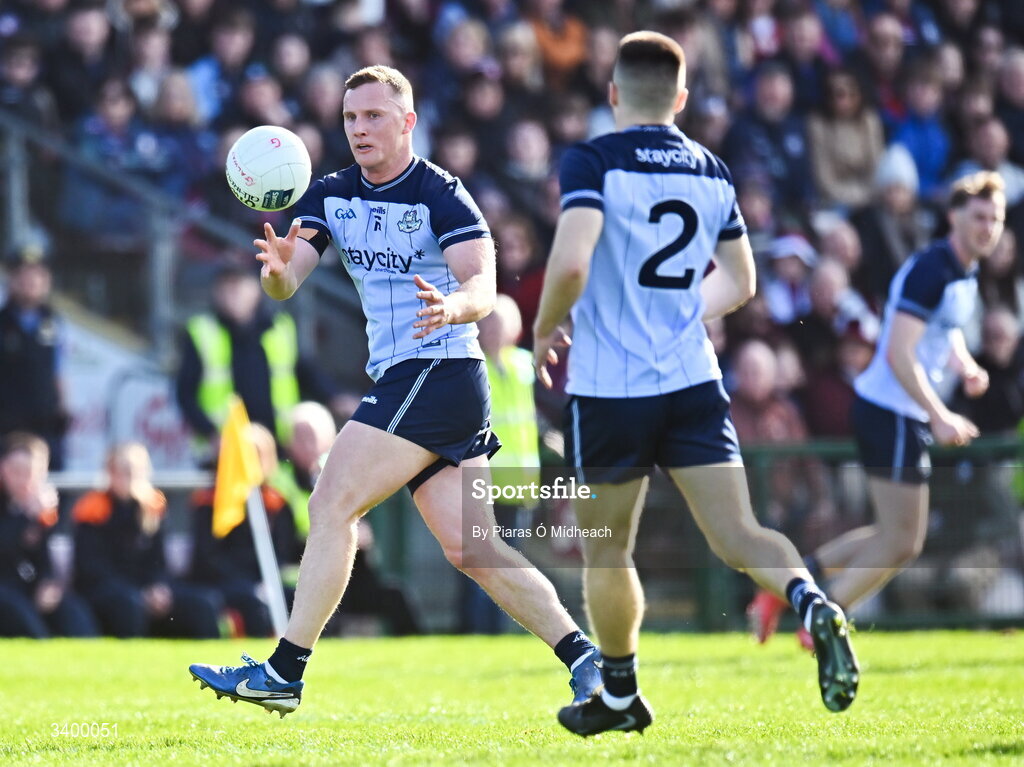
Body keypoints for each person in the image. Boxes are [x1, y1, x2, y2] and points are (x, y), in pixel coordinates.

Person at [189, 64, 600, 718]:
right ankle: (587, 660)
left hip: (436, 372)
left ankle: (284, 670)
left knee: (331, 500)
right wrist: (272, 274)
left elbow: (481, 282)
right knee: (475, 548)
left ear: (407, 122)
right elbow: (290, 279)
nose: (359, 129)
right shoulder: (330, 192)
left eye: (374, 116)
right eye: (351, 118)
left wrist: (455, 307)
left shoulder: (442, 194)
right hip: (423, 381)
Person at [532, 31, 858, 737]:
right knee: (739, 532)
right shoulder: (712, 169)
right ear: (681, 99)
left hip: (612, 387)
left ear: (613, 93)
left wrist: (543, 328)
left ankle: (619, 693)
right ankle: (809, 601)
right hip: (691, 379)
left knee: (608, 547)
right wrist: (681, 310)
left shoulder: (593, 159)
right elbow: (741, 282)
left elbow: (570, 264)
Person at [748, 171, 1006, 645]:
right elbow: (898, 352)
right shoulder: (934, 269)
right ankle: (824, 615)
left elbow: (941, 332)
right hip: (892, 412)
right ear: (953, 217)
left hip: (896, 413)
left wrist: (965, 366)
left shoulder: (963, 271)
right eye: (978, 216)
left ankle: (787, 590)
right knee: (902, 541)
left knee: (893, 533)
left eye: (995, 219)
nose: (987, 227)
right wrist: (939, 414)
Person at [175, 261, 339, 461]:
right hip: (225, 453)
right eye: (225, 286)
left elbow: (305, 371)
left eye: (238, 285)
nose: (231, 293)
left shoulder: (280, 327)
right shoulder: (201, 331)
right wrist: (210, 433)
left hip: (278, 451)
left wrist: (335, 396)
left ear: (256, 289)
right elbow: (185, 394)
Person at [73, 442, 223, 638]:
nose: (132, 477)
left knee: (202, 604)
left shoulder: (152, 509)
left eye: (137, 471)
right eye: (124, 471)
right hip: (107, 589)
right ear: (110, 473)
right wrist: (140, 592)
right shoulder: (93, 510)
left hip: (144, 589)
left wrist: (159, 587)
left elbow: (158, 562)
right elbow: (91, 569)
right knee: (129, 604)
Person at [189, 424, 301, 638]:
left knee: (304, 598)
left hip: (264, 581)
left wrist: (266, 581)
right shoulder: (209, 502)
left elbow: (281, 553)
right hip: (222, 581)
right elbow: (206, 557)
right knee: (253, 601)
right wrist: (248, 582)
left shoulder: (276, 502)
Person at [0, 432, 97, 638]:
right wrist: (26, 517)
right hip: (5, 589)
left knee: (75, 615)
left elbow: (44, 558)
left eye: (30, 472)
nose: (23, 480)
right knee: (26, 621)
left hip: (27, 587)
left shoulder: (44, 510)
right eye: (16, 471)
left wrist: (48, 582)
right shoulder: (27, 511)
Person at [0, 244, 71, 469]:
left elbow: (59, 370)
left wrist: (63, 407)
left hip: (45, 425)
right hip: (7, 426)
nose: (30, 282)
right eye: (23, 275)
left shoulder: (54, 322)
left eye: (37, 275)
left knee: (53, 491)